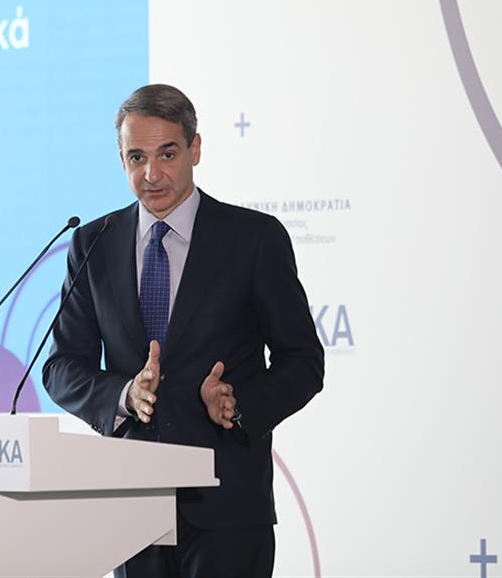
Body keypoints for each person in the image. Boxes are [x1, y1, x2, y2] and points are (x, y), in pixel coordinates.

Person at [42, 84, 324, 578]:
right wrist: (125, 394)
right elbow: (62, 367)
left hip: (227, 509)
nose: (151, 174)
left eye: (167, 154)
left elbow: (303, 362)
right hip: (131, 509)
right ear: (121, 159)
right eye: (136, 157)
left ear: (195, 149)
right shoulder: (93, 244)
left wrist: (238, 403)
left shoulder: (253, 239)